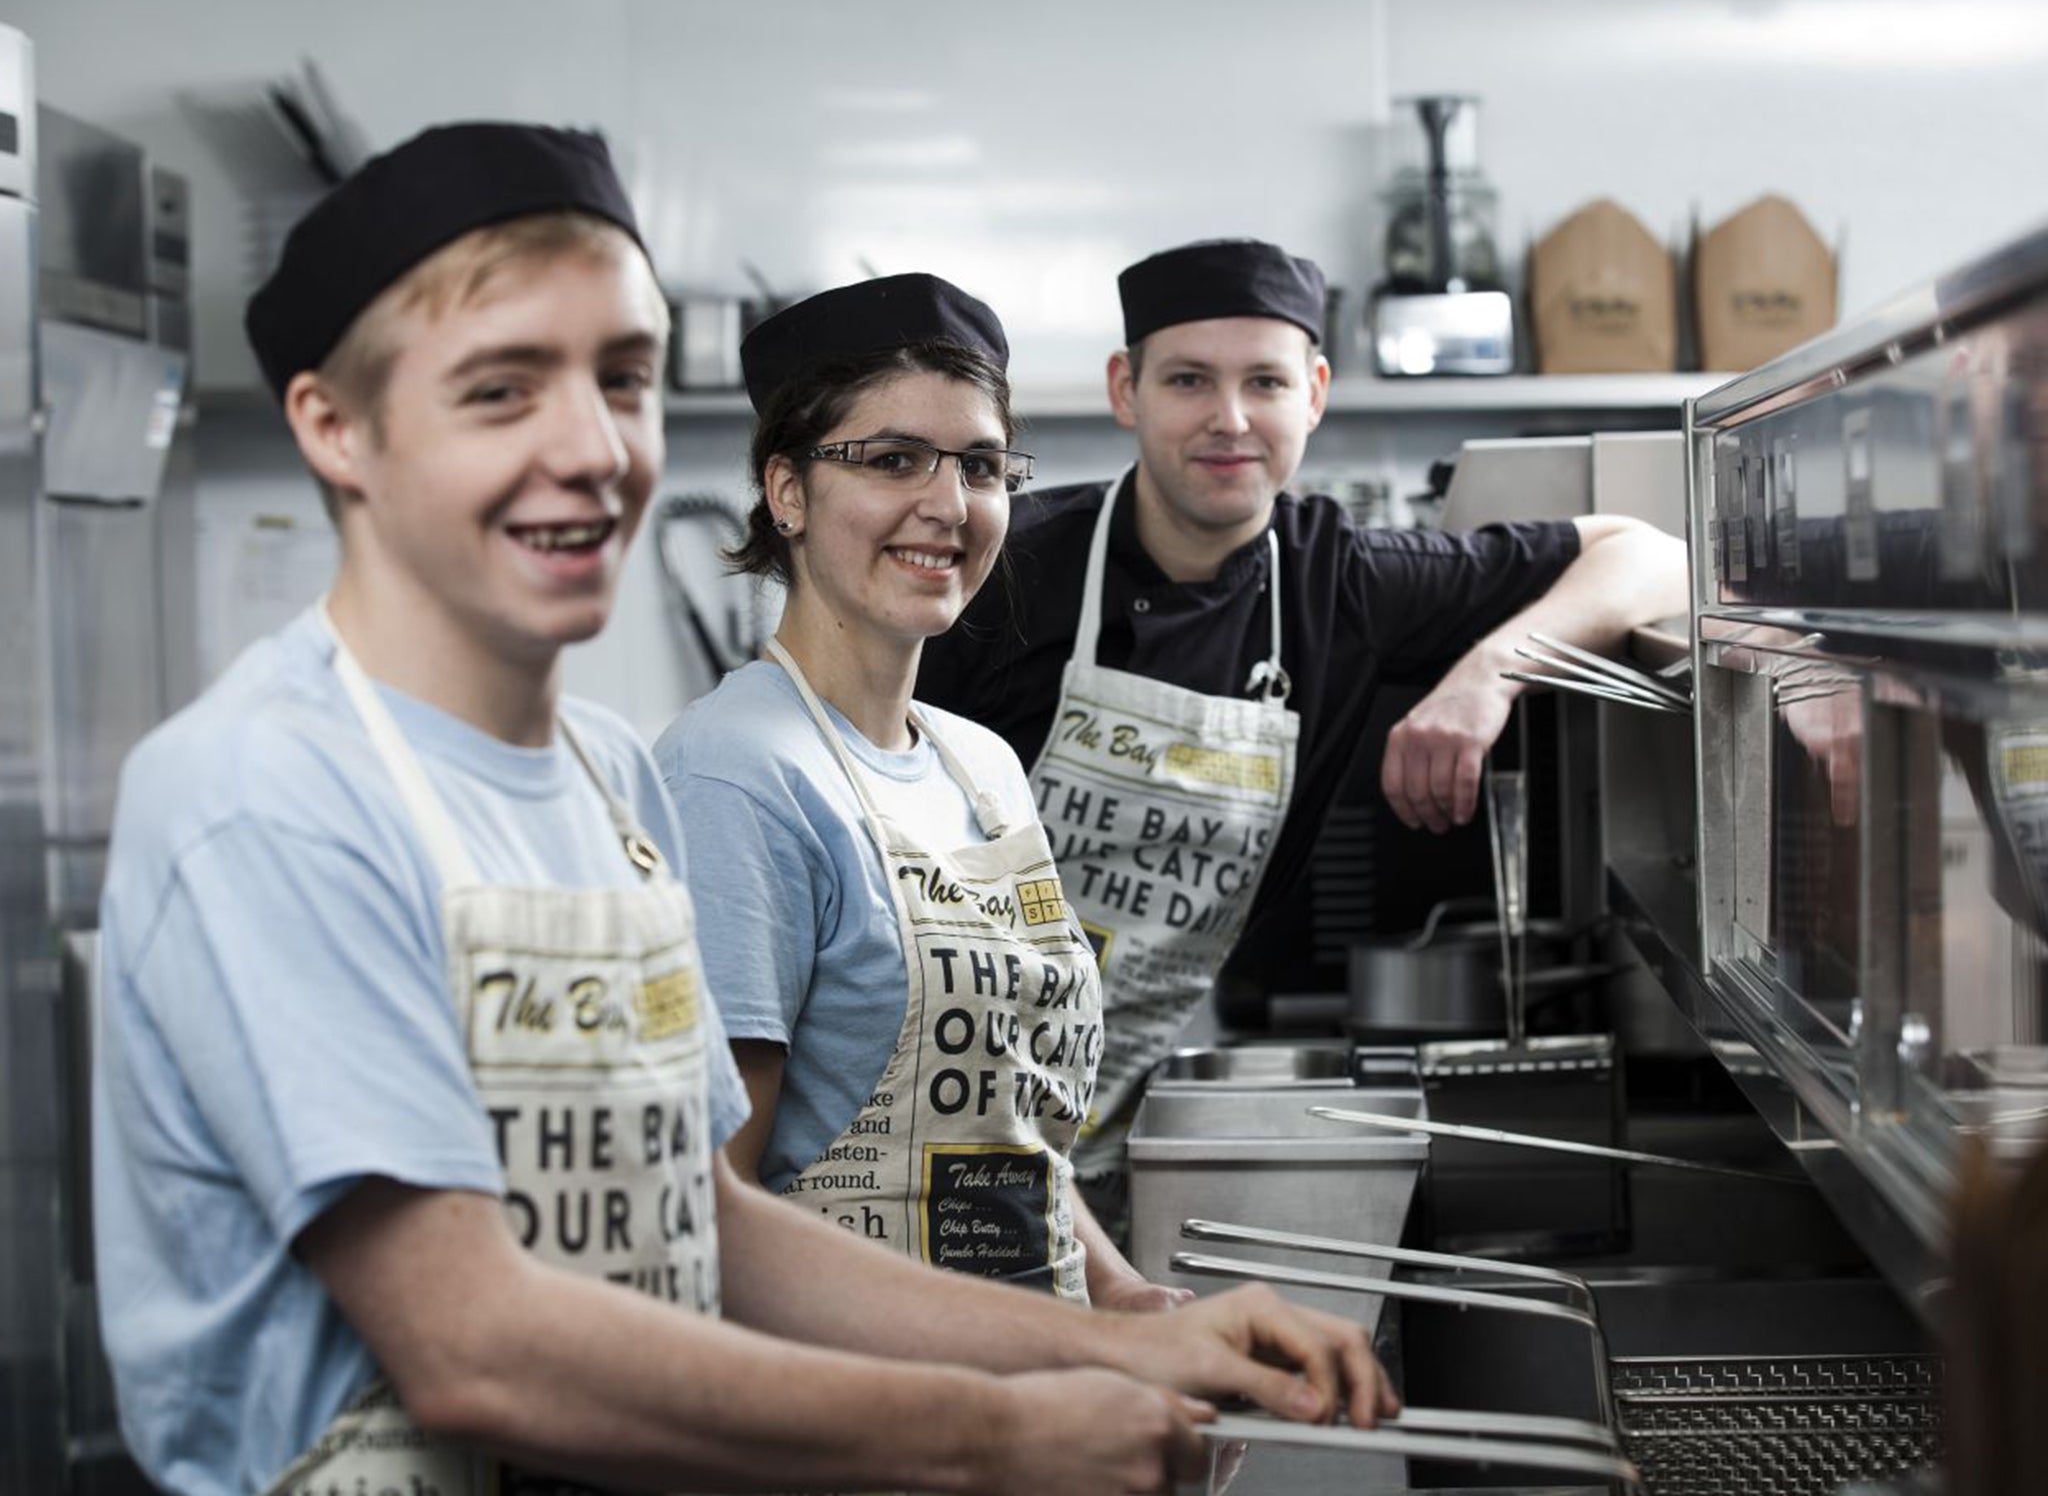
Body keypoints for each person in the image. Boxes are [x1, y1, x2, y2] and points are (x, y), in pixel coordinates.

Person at [92, 130, 1394, 1496]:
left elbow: (709, 1222)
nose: (593, 449)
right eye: (499, 390)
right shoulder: (268, 792)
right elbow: (471, 1345)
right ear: (333, 427)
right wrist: (1003, 1429)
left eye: (626, 381)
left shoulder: (600, 773)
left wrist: (1129, 1341)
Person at [917, 237, 1689, 1226]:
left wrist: (1483, 677)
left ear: (1314, 393)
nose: (1228, 419)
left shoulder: (1340, 583)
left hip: (1113, 1126)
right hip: (931, 1099)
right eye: (1188, 379)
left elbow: (1648, 555)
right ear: (1127, 390)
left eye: (1264, 382)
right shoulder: (1002, 572)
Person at [655, 275, 1174, 1311]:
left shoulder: (978, 764)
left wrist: (1118, 1300)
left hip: (1036, 1382)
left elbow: (1005, 1125)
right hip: (869, 1416)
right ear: (788, 491)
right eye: (892, 460)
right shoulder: (736, 775)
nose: (947, 506)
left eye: (980, 466)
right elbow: (711, 1214)